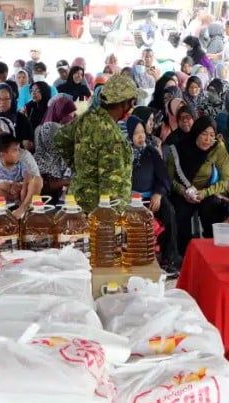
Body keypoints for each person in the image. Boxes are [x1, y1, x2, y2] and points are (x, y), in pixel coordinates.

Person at [54, 74, 137, 213]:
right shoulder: (112, 135)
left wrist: (81, 169)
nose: (131, 107)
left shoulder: (87, 118)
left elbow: (60, 139)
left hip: (77, 201)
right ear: (124, 103)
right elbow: (111, 188)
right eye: (132, 102)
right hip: (98, 212)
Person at [166, 116, 229, 255]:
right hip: (182, 191)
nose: (208, 139)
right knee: (180, 213)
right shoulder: (178, 150)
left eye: (212, 135)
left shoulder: (217, 148)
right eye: (204, 134)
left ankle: (211, 252)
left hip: (206, 191)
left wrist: (205, 193)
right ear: (196, 132)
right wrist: (183, 191)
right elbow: (168, 179)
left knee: (212, 208)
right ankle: (183, 255)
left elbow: (226, 180)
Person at [127, 115, 180, 273]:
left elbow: (163, 177)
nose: (141, 136)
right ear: (129, 134)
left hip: (151, 196)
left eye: (142, 132)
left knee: (169, 211)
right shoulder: (122, 153)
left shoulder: (151, 151)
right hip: (128, 198)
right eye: (136, 133)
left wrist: (158, 194)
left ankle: (169, 258)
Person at [0, 133, 41, 210]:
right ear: (3, 154)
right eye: (15, 150)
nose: (18, 153)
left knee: (37, 179)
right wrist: (6, 186)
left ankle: (23, 208)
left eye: (18, 150)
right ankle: (4, 212)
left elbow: (28, 177)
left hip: (20, 198)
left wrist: (22, 187)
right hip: (2, 200)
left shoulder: (21, 165)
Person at [0, 83, 34, 151]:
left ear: (12, 100)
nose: (2, 102)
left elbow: (28, 145)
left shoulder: (22, 120)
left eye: (6, 99)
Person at [34, 120, 71, 200]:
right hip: (42, 202)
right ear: (45, 139)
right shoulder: (37, 160)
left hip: (62, 201)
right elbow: (44, 186)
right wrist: (66, 181)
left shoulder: (62, 155)